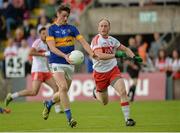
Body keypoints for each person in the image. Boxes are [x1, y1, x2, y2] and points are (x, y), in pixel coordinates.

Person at [42, 4, 97, 128]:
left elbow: (83, 42)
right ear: (58, 15)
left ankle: (49, 103)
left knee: (63, 91)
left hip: (69, 63)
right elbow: (51, 47)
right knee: (63, 87)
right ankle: (70, 119)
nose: (66, 18)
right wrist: (64, 55)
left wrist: (92, 54)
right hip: (56, 61)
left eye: (67, 16)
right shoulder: (51, 29)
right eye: (63, 16)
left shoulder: (72, 28)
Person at [91, 18, 142, 126]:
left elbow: (126, 49)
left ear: (109, 28)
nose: (103, 28)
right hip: (100, 73)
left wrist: (134, 57)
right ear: (98, 28)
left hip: (113, 70)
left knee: (123, 92)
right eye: (101, 26)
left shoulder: (112, 40)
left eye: (105, 26)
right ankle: (96, 92)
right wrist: (116, 55)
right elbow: (99, 55)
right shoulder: (96, 40)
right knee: (104, 102)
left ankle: (128, 119)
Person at [4, 27, 60, 110]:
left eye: (46, 33)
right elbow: (30, 52)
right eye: (43, 33)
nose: (45, 35)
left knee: (56, 87)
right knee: (34, 92)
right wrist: (44, 54)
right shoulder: (38, 42)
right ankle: (12, 96)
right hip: (37, 70)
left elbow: (47, 57)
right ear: (40, 34)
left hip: (45, 70)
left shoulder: (47, 44)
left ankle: (57, 108)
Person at [125, 37, 141, 102]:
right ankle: (128, 95)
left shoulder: (136, 49)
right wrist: (133, 66)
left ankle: (132, 98)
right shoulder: (128, 49)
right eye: (131, 41)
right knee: (135, 82)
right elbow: (126, 61)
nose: (132, 43)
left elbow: (137, 58)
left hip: (136, 68)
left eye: (133, 41)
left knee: (136, 83)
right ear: (129, 42)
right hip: (131, 68)